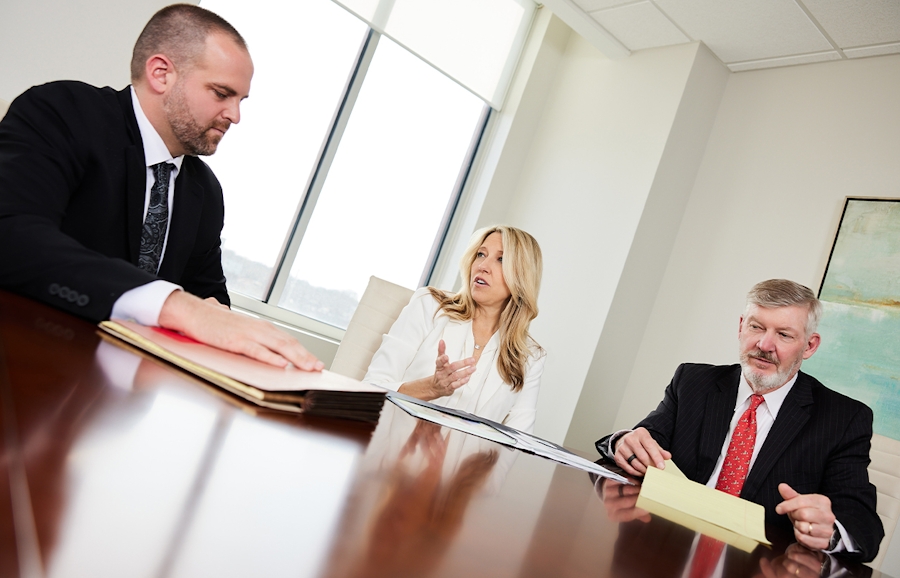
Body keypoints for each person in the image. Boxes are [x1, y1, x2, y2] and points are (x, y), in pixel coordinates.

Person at [0, 4, 321, 371]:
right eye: (221, 93)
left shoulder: (206, 192)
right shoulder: (61, 112)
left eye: (240, 100)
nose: (235, 115)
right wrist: (176, 306)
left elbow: (209, 299)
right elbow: (11, 234)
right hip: (24, 362)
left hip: (125, 389)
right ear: (161, 74)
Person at [595, 279, 882, 562]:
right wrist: (622, 441)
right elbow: (644, 440)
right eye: (756, 327)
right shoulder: (694, 381)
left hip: (760, 564)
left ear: (809, 346)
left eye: (784, 334)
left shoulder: (843, 418)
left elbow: (863, 528)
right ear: (741, 326)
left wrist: (828, 531)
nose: (764, 344)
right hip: (665, 549)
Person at [364, 225, 545, 433]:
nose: (482, 266)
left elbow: (520, 441)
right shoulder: (430, 306)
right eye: (480, 254)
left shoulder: (531, 356)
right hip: (389, 449)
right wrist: (432, 387)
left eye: (501, 259)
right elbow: (371, 388)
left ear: (522, 277)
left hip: (462, 466)